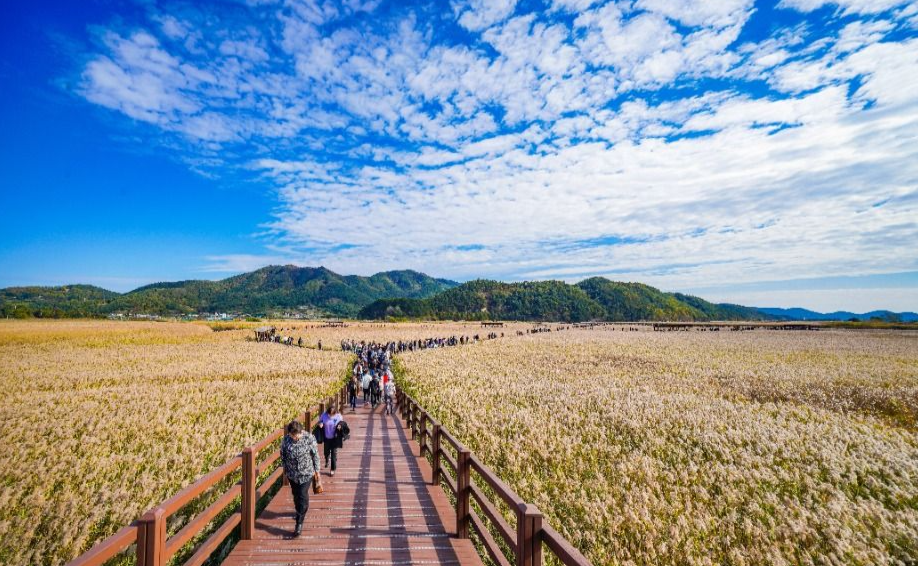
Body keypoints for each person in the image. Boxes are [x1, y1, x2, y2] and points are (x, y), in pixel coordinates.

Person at [280, 420, 320, 537]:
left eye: (297, 434)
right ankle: (301, 509)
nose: (295, 437)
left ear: (300, 431)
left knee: (302, 495)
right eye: (293, 435)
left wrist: (317, 471)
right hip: (292, 474)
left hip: (306, 473)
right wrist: (285, 469)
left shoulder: (309, 438)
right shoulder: (286, 440)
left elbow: (315, 455)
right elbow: (282, 455)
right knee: (296, 496)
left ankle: (299, 523)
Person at [319, 406, 343, 476]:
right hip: (326, 437)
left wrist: (340, 426)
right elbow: (320, 421)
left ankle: (332, 469)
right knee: (326, 451)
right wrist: (321, 424)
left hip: (334, 438)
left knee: (334, 454)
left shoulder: (338, 416)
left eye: (332, 415)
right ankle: (327, 459)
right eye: (329, 414)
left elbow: (342, 423)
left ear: (335, 413)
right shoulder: (324, 415)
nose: (330, 416)